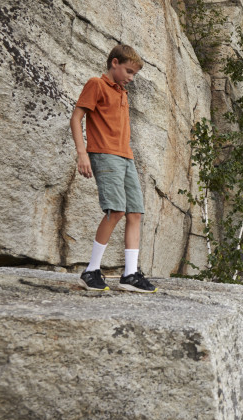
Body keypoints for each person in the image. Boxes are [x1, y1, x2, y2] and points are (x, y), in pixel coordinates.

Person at [70, 44, 157, 293]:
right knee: (116, 210)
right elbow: (76, 118)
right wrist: (82, 153)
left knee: (135, 213)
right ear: (115, 63)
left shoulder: (122, 92)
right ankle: (91, 271)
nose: (131, 78)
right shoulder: (96, 84)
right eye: (129, 72)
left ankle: (130, 274)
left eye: (134, 74)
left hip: (126, 157)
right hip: (105, 155)